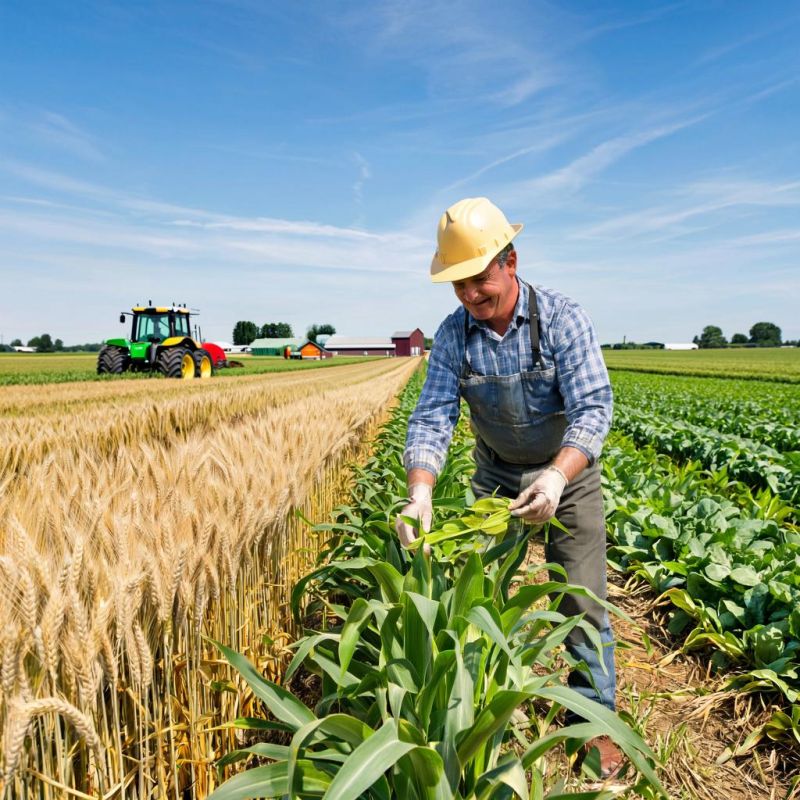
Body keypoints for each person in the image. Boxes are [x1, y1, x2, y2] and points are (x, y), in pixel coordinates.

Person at [396, 196, 623, 780]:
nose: (471, 294)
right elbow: (433, 415)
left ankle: (593, 722)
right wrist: (420, 493)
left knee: (581, 597)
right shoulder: (454, 336)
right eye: (459, 284)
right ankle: (480, 706)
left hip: (568, 474)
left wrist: (556, 475)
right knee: (480, 591)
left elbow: (594, 408)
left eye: (480, 278)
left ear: (511, 261)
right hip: (496, 476)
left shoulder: (562, 319)